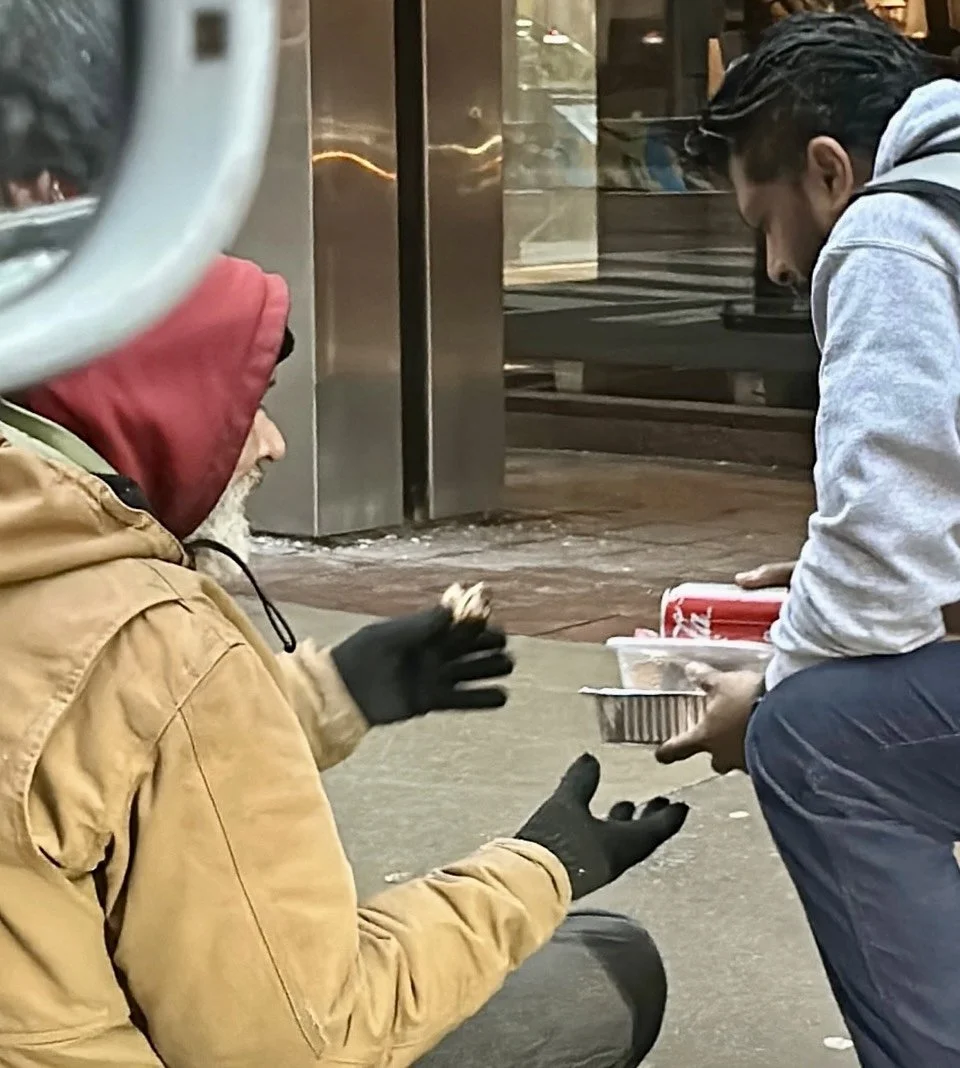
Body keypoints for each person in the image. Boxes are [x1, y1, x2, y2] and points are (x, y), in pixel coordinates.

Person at [0, 243, 688, 1067]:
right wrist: (542, 867)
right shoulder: (158, 640)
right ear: (162, 405)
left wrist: (333, 692)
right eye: (248, 402)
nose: (271, 443)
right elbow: (297, 1044)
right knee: (604, 967)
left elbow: (73, 751)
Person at [656, 11, 960, 1067]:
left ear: (829, 171)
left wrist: (770, 694)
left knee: (823, 736)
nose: (777, 264)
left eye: (764, 219)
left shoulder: (892, 230)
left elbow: (887, 545)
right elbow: (917, 510)